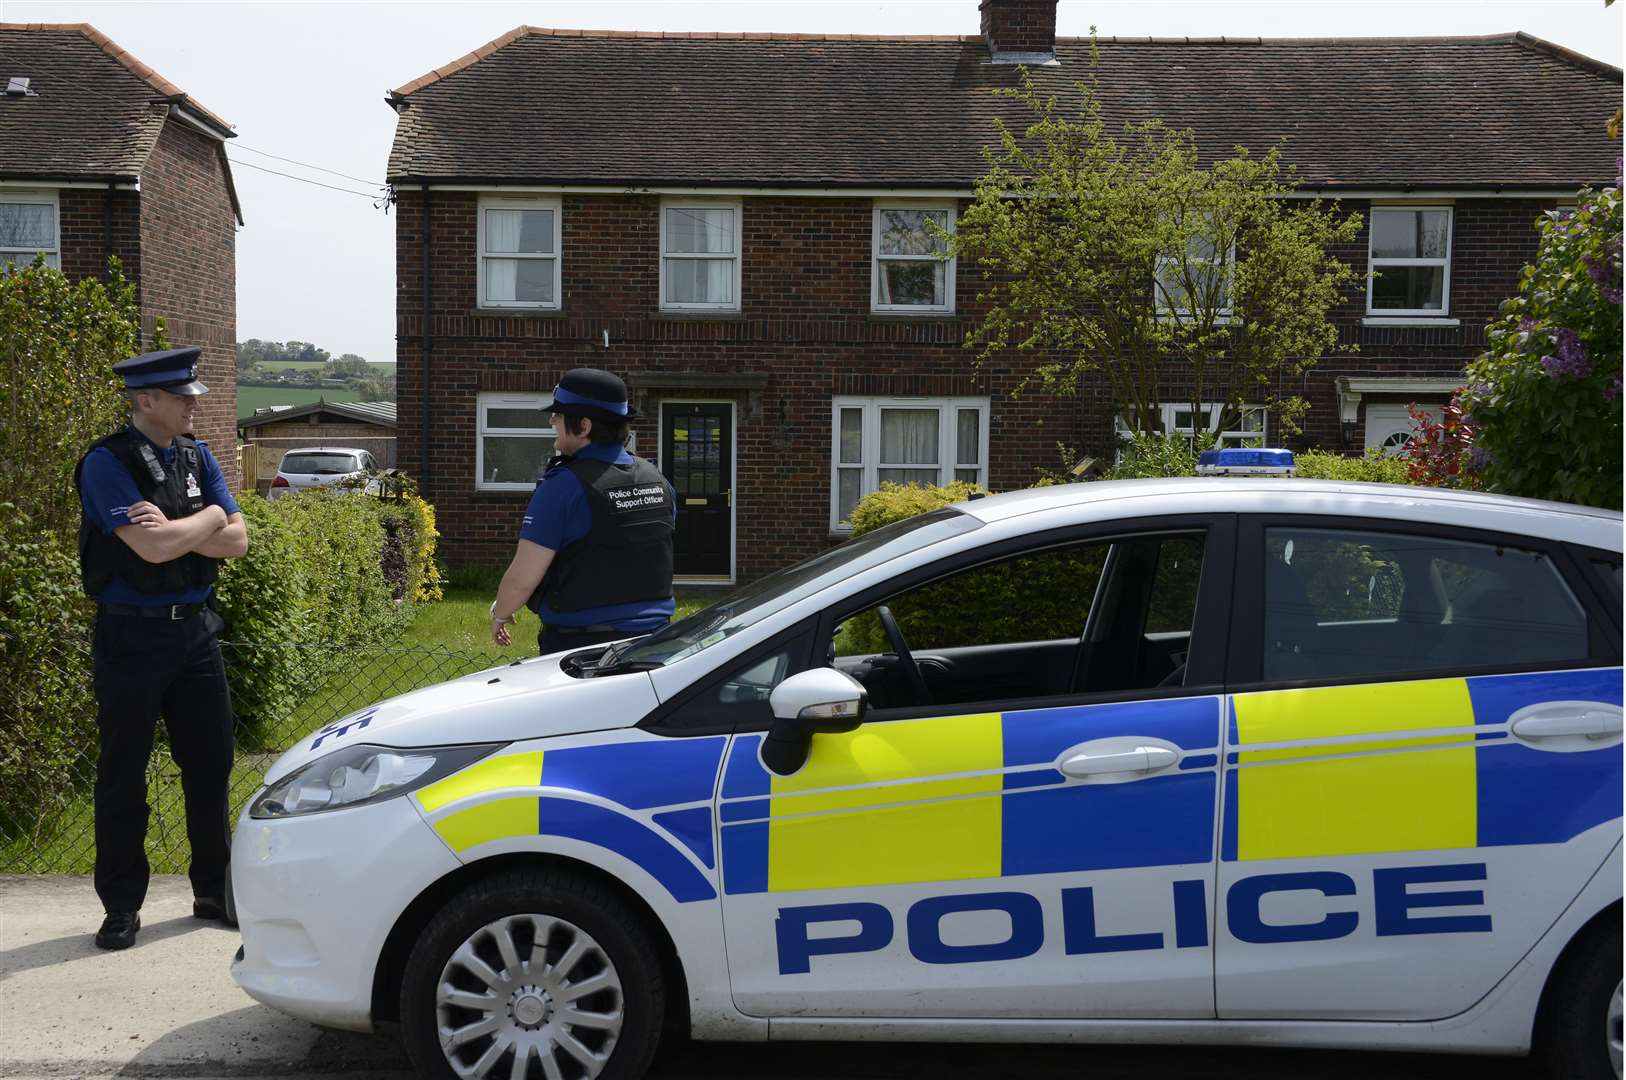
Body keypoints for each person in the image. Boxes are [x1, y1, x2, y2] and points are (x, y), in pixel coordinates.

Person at [74, 346, 249, 951]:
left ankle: (212, 888)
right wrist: (210, 519)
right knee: (123, 774)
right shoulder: (106, 462)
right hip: (131, 635)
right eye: (182, 397)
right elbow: (151, 550)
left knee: (210, 766)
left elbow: (240, 540)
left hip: (196, 632)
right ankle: (121, 905)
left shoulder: (196, 456)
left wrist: (185, 527)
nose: (193, 405)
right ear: (146, 401)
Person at [489, 368, 676, 656]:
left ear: (584, 426)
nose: (552, 420)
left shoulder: (563, 486)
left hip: (583, 653)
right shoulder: (657, 480)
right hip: (656, 647)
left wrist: (501, 612)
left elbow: (524, 575)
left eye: (559, 416)